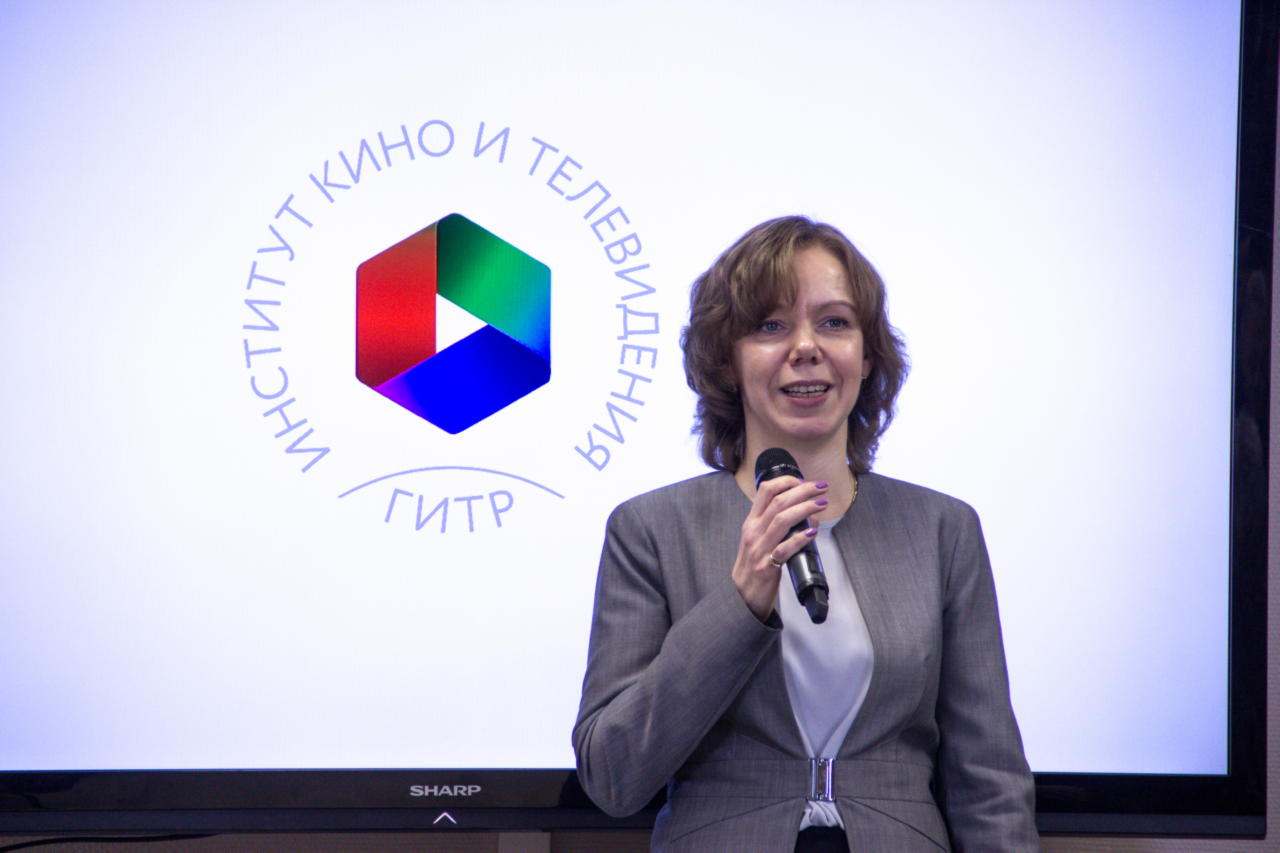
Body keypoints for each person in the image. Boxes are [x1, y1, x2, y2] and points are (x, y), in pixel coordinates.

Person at [572, 216, 1040, 853]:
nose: (805, 347)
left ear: (867, 356)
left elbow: (989, 780)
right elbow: (612, 775)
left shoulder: (942, 530)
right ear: (727, 362)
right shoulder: (650, 530)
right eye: (770, 326)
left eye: (834, 322)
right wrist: (739, 604)